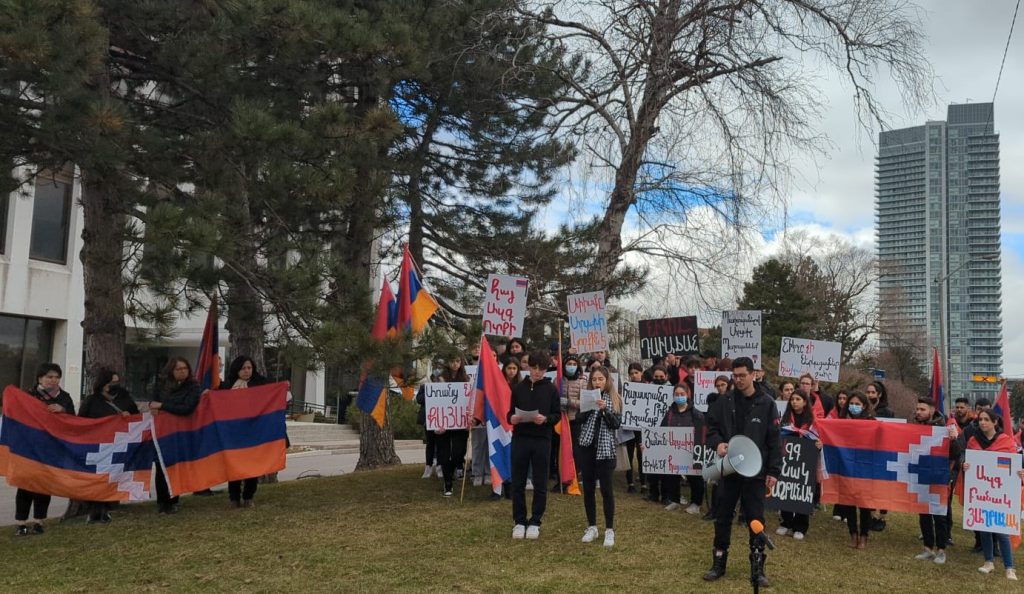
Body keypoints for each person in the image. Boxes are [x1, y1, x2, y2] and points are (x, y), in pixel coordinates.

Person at [702, 357, 782, 586]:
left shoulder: (767, 403)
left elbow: (774, 440)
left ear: (753, 374)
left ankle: (758, 567)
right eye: (735, 376)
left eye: (742, 375)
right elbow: (712, 429)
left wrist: (774, 471)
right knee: (723, 516)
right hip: (730, 470)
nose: (738, 380)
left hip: (756, 472)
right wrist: (717, 443)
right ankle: (719, 562)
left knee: (756, 519)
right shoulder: (724, 401)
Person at [14, 363, 75, 536]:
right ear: (40, 378)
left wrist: (63, 410)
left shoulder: (64, 397)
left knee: (44, 485)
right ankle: (21, 523)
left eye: (57, 377)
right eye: (49, 377)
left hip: (50, 447)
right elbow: (18, 416)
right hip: (29, 447)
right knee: (25, 484)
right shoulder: (28, 395)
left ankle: (38, 521)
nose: (53, 380)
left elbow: (73, 421)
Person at [962, 409, 1023, 581]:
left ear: (995, 422)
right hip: (982, 492)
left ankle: (1009, 568)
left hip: (1000, 494)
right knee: (984, 528)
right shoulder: (973, 441)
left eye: (986, 419)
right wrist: (965, 465)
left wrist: (1019, 473)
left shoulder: (1006, 441)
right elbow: (967, 461)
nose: (982, 422)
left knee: (1002, 531)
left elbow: (1013, 465)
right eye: (980, 419)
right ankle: (988, 562)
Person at [507, 350, 561, 540]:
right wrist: (512, 418)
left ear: (546, 369)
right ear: (529, 367)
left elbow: (557, 415)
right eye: (534, 368)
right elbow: (509, 413)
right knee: (518, 482)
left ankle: (535, 521)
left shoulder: (551, 389)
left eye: (541, 369)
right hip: (520, 438)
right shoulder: (518, 388)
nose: (537, 372)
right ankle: (519, 521)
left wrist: (545, 419)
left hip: (542, 439)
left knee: (540, 482)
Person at [79, 368, 139, 523]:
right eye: (111, 382)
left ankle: (105, 509)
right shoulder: (92, 400)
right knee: (94, 479)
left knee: (109, 478)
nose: (114, 385)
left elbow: (136, 418)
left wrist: (129, 416)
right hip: (95, 446)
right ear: (103, 384)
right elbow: (81, 421)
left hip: (115, 446)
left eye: (117, 382)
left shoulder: (125, 399)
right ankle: (93, 510)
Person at [149, 357, 204, 514]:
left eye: (185, 368)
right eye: (178, 369)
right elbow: (153, 402)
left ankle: (173, 500)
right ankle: (162, 502)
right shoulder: (162, 385)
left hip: (182, 433)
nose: (182, 371)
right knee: (161, 466)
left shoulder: (193, 386)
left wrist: (163, 406)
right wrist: (153, 406)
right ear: (171, 370)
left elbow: (187, 408)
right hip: (163, 432)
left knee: (175, 466)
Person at [908, 396, 959, 564]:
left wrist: (953, 440)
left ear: (931, 410)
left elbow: (956, 454)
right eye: (917, 409)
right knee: (924, 512)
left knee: (939, 515)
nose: (918, 412)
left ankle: (941, 550)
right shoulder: (914, 427)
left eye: (922, 409)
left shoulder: (944, 428)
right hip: (921, 475)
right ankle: (928, 548)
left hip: (939, 477)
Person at [576, 366, 622, 547]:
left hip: (606, 449)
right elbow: (578, 419)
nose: (597, 382)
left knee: (606, 490)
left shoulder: (615, 399)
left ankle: (609, 529)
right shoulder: (587, 397)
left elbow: (615, 424)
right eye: (594, 379)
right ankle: (592, 526)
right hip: (587, 447)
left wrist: (604, 410)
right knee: (588, 488)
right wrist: (589, 408)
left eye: (600, 379)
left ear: (607, 380)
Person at [224, 356, 269, 508]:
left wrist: (284, 387)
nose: (246, 371)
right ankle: (234, 497)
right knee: (234, 465)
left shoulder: (260, 383)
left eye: (249, 368)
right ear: (237, 369)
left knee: (251, 465)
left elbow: (272, 395)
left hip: (252, 431)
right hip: (233, 432)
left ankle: (248, 496)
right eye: (243, 368)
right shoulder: (228, 385)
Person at [776, 389, 820, 541]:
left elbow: (818, 438)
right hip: (788, 460)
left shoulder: (813, 422)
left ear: (805, 402)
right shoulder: (786, 419)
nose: (794, 402)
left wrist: (819, 444)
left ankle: (801, 526)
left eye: (798, 399)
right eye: (792, 399)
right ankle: (785, 522)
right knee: (787, 488)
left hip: (806, 461)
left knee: (802, 491)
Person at [656, 383, 704, 515]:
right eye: (676, 394)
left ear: (687, 395)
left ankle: (696, 503)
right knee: (672, 476)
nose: (679, 396)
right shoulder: (669, 413)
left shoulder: (696, 414)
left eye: (682, 394)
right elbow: (661, 431)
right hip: (673, 451)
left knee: (694, 477)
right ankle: (674, 500)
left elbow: (702, 432)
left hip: (691, 451)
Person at [837, 391, 875, 548]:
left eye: (857, 404)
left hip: (865, 467)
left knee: (864, 503)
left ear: (864, 406)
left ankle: (864, 535)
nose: (853, 406)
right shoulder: (841, 421)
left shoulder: (871, 422)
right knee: (848, 501)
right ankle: (853, 533)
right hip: (847, 466)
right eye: (851, 403)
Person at [433, 357, 470, 497]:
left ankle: (453, 470)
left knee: (457, 454)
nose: (455, 364)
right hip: (443, 423)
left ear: (461, 363)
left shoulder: (466, 379)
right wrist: (435, 423)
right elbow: (433, 401)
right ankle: (447, 483)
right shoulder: (439, 379)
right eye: (452, 361)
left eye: (457, 361)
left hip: (460, 424)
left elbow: (469, 401)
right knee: (444, 454)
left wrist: (469, 421)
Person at [864, 381, 893, 531]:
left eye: (873, 392)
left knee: (882, 486)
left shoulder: (887, 412)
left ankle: (882, 517)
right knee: (869, 485)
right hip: (868, 452)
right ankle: (871, 515)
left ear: (879, 394)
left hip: (883, 452)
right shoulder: (865, 410)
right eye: (868, 392)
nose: (870, 395)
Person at [644, 365, 672, 502]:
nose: (659, 379)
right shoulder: (646, 390)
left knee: (666, 464)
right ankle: (653, 492)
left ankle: (666, 494)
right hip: (650, 430)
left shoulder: (672, 390)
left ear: (666, 376)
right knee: (651, 462)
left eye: (661, 377)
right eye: (656, 377)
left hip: (666, 431)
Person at [623, 362, 646, 493]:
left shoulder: (648, 388)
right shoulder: (626, 389)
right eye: (631, 373)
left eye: (636, 373)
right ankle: (630, 482)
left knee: (642, 455)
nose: (634, 375)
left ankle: (644, 483)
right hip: (629, 426)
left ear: (641, 373)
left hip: (642, 427)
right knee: (629, 455)